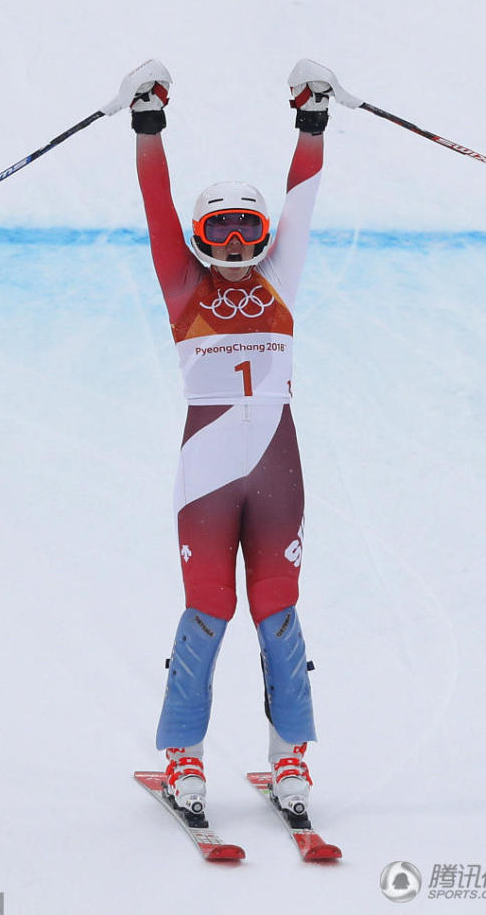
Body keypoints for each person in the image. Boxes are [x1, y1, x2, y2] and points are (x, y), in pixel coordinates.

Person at [129, 57, 337, 823]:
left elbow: (303, 201)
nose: (235, 241)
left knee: (278, 611)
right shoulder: (183, 287)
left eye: (247, 226)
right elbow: (154, 208)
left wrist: (310, 120)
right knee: (206, 612)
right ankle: (182, 754)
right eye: (219, 228)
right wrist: (147, 124)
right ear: (198, 236)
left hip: (277, 470)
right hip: (209, 474)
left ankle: (291, 761)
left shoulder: (281, 276)